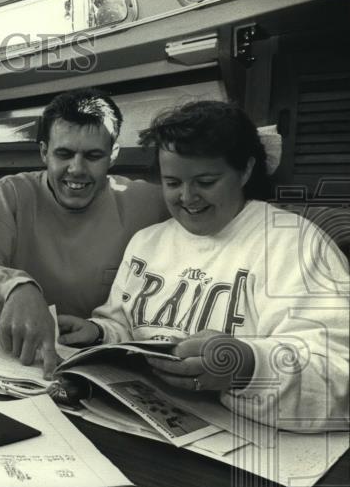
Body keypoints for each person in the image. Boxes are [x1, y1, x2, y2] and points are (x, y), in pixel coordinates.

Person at [59, 101, 349, 431]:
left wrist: (246, 368)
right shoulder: (146, 242)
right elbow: (125, 326)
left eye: (206, 182)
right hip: (143, 427)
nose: (187, 197)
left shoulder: (295, 244)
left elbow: (339, 376)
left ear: (245, 170)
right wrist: (98, 333)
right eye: (172, 183)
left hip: (249, 450)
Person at [0, 88, 168, 378]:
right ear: (44, 151)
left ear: (113, 154)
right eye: (64, 154)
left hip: (108, 366)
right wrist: (14, 288)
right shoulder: (13, 192)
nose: (77, 169)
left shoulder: (148, 201)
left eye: (93, 155)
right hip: (23, 363)